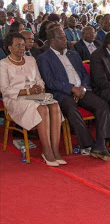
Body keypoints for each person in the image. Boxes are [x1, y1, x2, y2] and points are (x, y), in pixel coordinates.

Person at [37, 26, 110, 161]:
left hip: (81, 90)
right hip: (61, 94)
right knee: (72, 109)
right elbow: (50, 81)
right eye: (61, 37)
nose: (65, 39)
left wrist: (83, 88)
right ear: (51, 40)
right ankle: (90, 145)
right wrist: (72, 89)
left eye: (64, 36)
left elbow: (85, 74)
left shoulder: (73, 54)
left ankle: (100, 145)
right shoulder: (44, 58)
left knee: (102, 105)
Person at [0, 33, 64, 166]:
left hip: (35, 95)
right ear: (9, 47)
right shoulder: (3, 64)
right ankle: (47, 151)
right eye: (18, 45)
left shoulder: (31, 60)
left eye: (23, 45)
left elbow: (40, 80)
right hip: (15, 99)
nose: (22, 48)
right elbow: (5, 90)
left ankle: (55, 150)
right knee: (42, 108)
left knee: (55, 106)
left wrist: (39, 87)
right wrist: (28, 91)